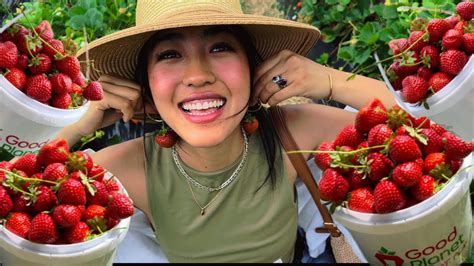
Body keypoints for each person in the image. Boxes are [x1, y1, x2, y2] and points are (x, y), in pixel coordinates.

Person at [57, 0, 396, 263]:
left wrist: (330, 81)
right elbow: (12, 202)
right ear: (145, 85)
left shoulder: (289, 132)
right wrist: (78, 125)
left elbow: (420, 127)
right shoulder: (129, 167)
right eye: (170, 54)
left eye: (220, 47)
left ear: (253, 69)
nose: (198, 75)